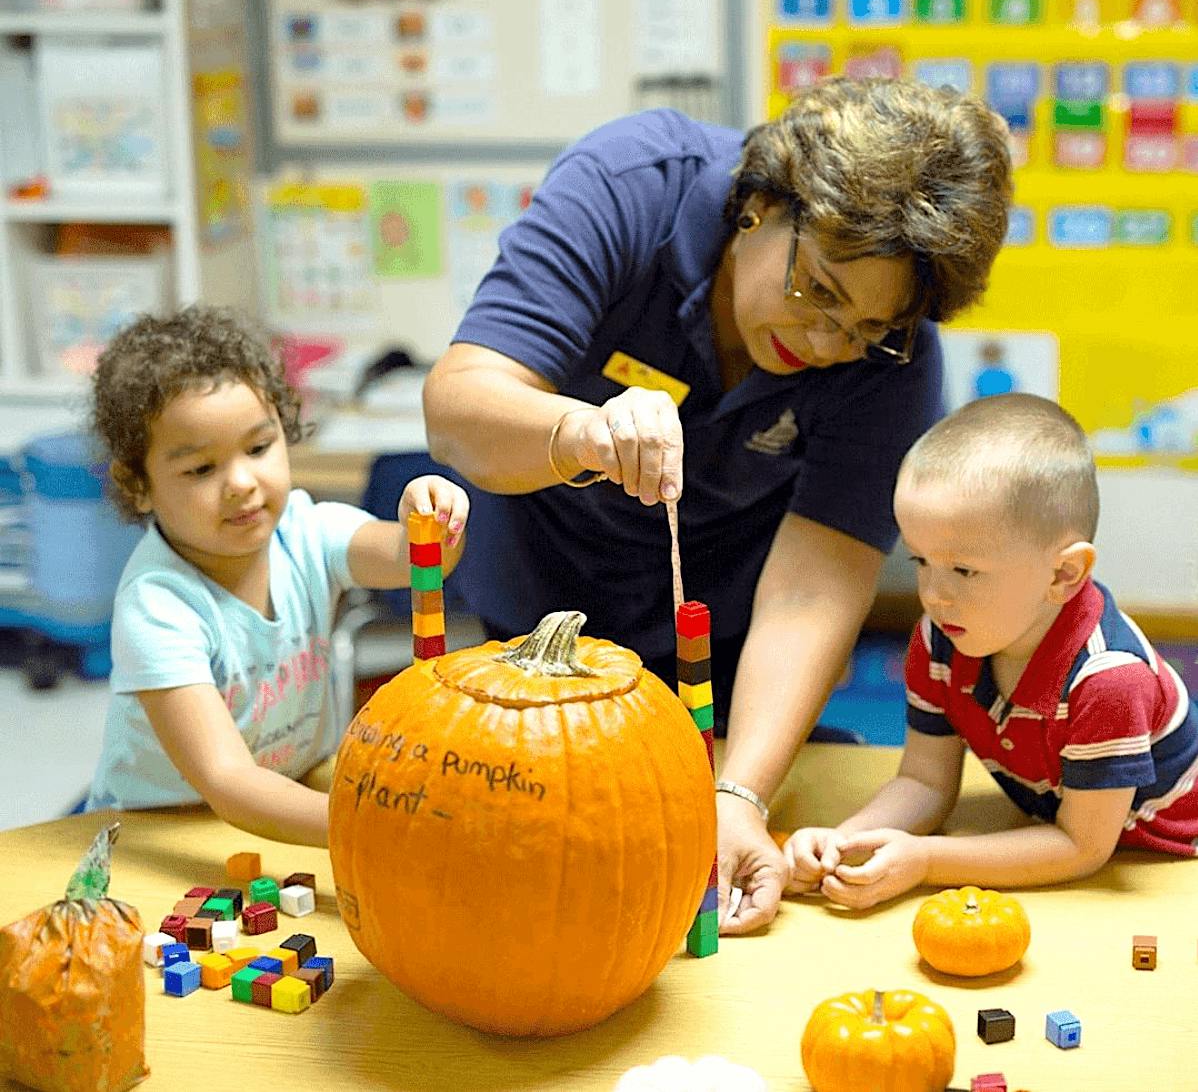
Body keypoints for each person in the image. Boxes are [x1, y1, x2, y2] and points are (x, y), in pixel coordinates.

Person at [422, 76, 1013, 932]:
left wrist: (739, 794)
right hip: (537, 597)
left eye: (860, 331)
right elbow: (459, 409)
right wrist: (582, 434)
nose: (822, 344)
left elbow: (816, 585)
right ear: (762, 205)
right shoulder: (628, 186)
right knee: (535, 858)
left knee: (694, 835)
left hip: (726, 627)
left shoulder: (895, 358)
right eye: (818, 293)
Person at [782, 394, 1198, 909]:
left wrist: (928, 861)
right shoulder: (941, 638)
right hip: (1071, 833)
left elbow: (1082, 847)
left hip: (1166, 861)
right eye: (921, 560)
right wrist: (844, 841)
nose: (933, 593)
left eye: (963, 570)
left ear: (1064, 575)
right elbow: (924, 782)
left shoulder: (1109, 680)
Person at [84, 308, 469, 847]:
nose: (241, 482)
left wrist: (431, 517)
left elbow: (416, 559)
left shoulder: (307, 531)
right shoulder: (158, 607)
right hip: (166, 830)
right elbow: (228, 781)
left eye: (259, 447)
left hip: (289, 800)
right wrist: (375, 825)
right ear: (139, 485)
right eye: (200, 469)